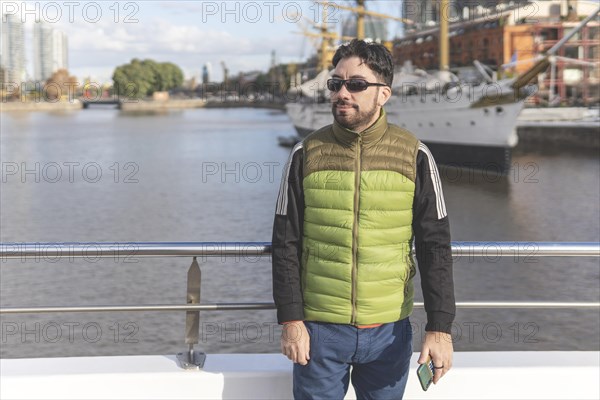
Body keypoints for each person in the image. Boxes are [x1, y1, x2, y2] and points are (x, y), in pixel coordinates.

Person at [272, 39, 455, 399]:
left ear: (383, 94)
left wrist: (440, 329)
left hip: (389, 332)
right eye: (335, 83)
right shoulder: (305, 153)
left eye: (355, 84)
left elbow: (436, 246)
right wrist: (291, 321)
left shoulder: (414, 155)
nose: (342, 92)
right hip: (320, 332)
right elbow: (285, 243)